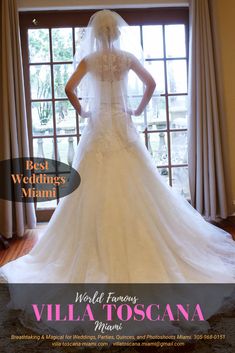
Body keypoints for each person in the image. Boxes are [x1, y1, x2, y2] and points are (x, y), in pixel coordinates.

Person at [0, 9, 235, 284]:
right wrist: (136, 109)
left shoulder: (90, 59)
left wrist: (82, 111)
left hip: (98, 125)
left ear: (96, 35)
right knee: (139, 182)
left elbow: (68, 88)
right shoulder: (126, 58)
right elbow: (151, 83)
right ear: (118, 33)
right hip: (123, 124)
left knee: (90, 185)